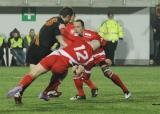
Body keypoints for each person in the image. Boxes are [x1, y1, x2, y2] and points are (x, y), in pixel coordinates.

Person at [7, 36, 102, 104]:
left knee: (34, 73)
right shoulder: (89, 56)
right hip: (62, 64)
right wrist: (74, 66)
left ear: (90, 42)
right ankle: (45, 93)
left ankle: (19, 87)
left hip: (55, 55)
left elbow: (66, 37)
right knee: (59, 77)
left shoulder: (80, 40)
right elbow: (78, 72)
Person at [9, 7, 74, 104]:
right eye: (72, 17)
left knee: (33, 75)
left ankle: (19, 93)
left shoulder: (53, 19)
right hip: (41, 51)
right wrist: (73, 51)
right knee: (62, 70)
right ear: (68, 16)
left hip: (33, 49)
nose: (72, 19)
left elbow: (48, 35)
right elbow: (61, 40)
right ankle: (50, 90)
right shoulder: (60, 24)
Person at [69, 19, 131, 100]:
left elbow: (104, 43)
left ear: (83, 27)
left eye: (78, 27)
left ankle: (126, 91)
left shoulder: (89, 34)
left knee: (107, 73)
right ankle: (85, 93)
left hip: (98, 55)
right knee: (79, 74)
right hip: (88, 58)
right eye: (75, 27)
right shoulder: (74, 37)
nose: (76, 29)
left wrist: (108, 57)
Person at [39, 16, 98, 100]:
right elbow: (63, 37)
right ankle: (88, 90)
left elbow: (72, 37)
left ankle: (84, 93)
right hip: (73, 53)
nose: (70, 18)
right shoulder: (69, 27)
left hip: (78, 54)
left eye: (71, 16)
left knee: (73, 73)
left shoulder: (75, 29)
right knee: (73, 73)